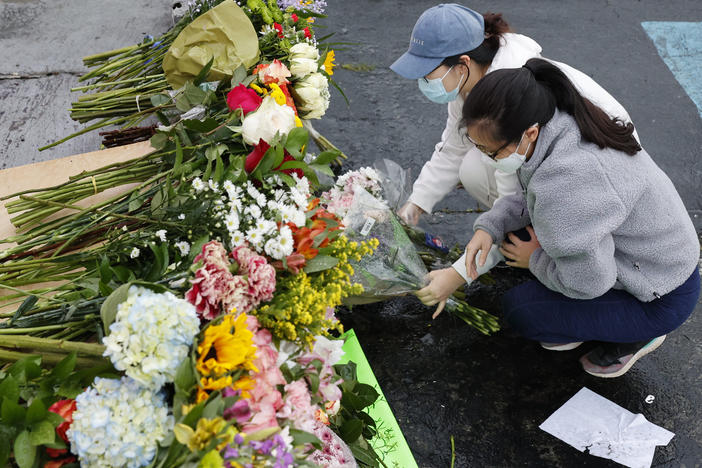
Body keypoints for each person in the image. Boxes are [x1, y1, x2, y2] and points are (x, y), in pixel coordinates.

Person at [418, 57, 700, 377]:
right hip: (660, 261)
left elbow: (590, 281)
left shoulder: (566, 187)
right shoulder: (560, 123)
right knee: (527, 248)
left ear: (529, 132)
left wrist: (534, 259)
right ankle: (589, 318)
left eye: (491, 152)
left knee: (522, 311)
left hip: (658, 295)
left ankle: (635, 336)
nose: (487, 159)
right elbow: (530, 198)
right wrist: (491, 227)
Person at [390, 3, 636, 286]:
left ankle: (544, 245)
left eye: (427, 73)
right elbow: (453, 147)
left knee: (527, 304)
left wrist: (460, 274)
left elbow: (510, 196)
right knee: (472, 164)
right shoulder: (470, 83)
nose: (422, 82)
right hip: (573, 171)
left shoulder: (509, 96)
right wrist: (416, 204)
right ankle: (533, 235)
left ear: (463, 64)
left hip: (601, 186)